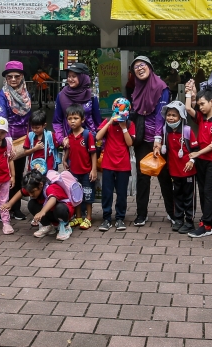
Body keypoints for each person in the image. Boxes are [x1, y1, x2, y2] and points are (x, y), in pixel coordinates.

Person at [128, 55, 173, 227]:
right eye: (136, 67)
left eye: (142, 65)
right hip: (141, 139)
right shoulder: (136, 89)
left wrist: (158, 139)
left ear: (150, 67)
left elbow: (162, 115)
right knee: (142, 177)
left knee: (164, 176)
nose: (139, 68)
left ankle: (172, 212)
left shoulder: (161, 87)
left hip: (159, 139)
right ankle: (141, 214)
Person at [184, 87, 212, 238]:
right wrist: (188, 92)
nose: (200, 107)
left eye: (202, 104)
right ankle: (207, 219)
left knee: (209, 191)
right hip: (201, 161)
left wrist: (197, 153)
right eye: (199, 105)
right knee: (202, 191)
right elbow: (188, 108)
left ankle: (207, 225)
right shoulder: (201, 117)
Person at [0, 61, 31, 222]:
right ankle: (1, 208)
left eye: (17, 76)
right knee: (5, 175)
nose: (14, 79)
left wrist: (30, 137)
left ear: (22, 77)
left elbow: (29, 119)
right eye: (10, 76)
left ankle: (15, 208)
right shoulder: (2, 96)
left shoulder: (26, 95)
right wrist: (8, 143)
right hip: (6, 140)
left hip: (23, 142)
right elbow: (1, 121)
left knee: (19, 173)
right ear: (6, 78)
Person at [96, 99, 135, 231]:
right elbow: (98, 137)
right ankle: (106, 218)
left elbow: (130, 143)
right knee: (106, 193)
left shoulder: (130, 124)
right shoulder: (108, 121)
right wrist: (109, 122)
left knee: (121, 193)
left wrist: (124, 128)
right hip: (108, 164)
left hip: (123, 164)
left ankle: (120, 218)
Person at [5, 170, 74, 241]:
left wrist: (42, 212)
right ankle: (47, 226)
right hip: (51, 212)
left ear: (41, 185)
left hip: (63, 212)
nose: (30, 195)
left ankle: (65, 226)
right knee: (32, 204)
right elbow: (21, 192)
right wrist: (10, 203)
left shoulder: (50, 187)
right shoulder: (33, 187)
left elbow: (53, 199)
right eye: (29, 192)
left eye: (32, 192)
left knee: (60, 208)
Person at [160, 101, 195, 234]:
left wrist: (192, 160)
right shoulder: (165, 131)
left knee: (188, 197)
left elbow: (195, 149)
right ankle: (179, 219)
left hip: (188, 171)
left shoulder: (187, 131)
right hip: (174, 170)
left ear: (181, 116)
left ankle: (189, 221)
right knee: (177, 196)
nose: (170, 118)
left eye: (174, 115)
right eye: (168, 115)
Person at [63, 104, 98, 229]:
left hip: (86, 171)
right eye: (70, 118)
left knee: (88, 196)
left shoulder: (88, 135)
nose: (72, 121)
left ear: (82, 120)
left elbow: (93, 153)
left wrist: (94, 170)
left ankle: (88, 217)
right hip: (74, 172)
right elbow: (68, 148)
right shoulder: (69, 134)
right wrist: (64, 159)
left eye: (75, 118)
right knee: (76, 195)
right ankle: (78, 217)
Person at [52, 63, 103, 146]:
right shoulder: (61, 95)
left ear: (82, 77)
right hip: (69, 142)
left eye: (74, 76)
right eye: (69, 76)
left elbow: (98, 122)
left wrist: (98, 141)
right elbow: (57, 121)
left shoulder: (91, 96)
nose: (70, 79)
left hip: (89, 142)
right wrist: (61, 140)